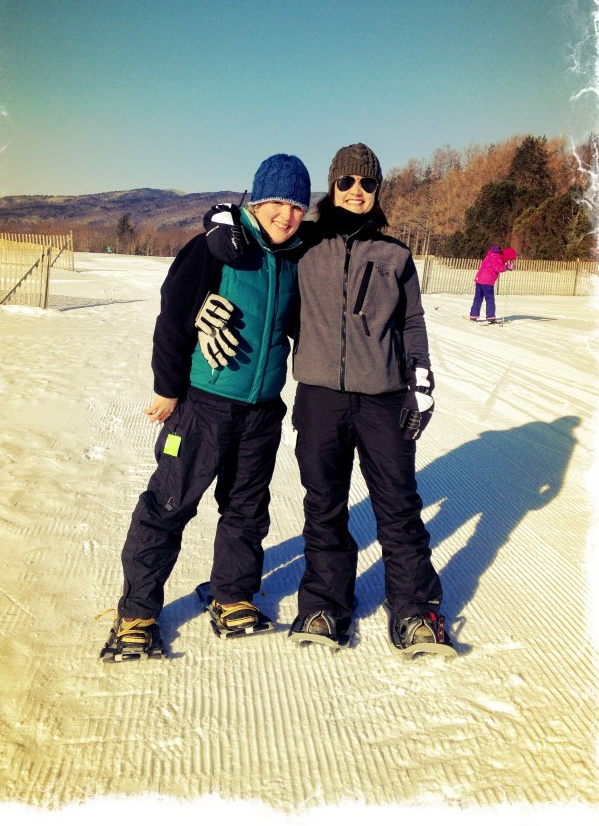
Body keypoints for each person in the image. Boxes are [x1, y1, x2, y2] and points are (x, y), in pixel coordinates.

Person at [204, 143, 452, 655]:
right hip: (320, 399)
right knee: (324, 506)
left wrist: (421, 382)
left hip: (383, 399)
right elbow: (253, 228)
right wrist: (218, 218)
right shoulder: (305, 243)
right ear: (332, 185)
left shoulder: (395, 255)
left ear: (377, 190)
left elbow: (411, 322)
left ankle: (415, 608)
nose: (357, 191)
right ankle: (324, 604)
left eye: (367, 183)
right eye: (347, 181)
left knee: (398, 506)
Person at [100, 153, 310, 661]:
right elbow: (173, 315)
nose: (287, 216)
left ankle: (231, 595)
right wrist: (167, 387)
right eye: (278, 203)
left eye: (298, 207)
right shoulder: (216, 246)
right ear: (256, 202)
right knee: (168, 504)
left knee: (246, 510)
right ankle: (137, 613)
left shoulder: (296, 258)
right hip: (203, 405)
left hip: (261, 410)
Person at [469, 245, 517, 323]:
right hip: (487, 281)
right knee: (490, 299)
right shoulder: (498, 257)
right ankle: (490, 317)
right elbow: (498, 267)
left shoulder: (490, 255)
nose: (508, 260)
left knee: (478, 298)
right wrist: (507, 267)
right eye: (509, 259)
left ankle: (473, 315)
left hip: (479, 279)